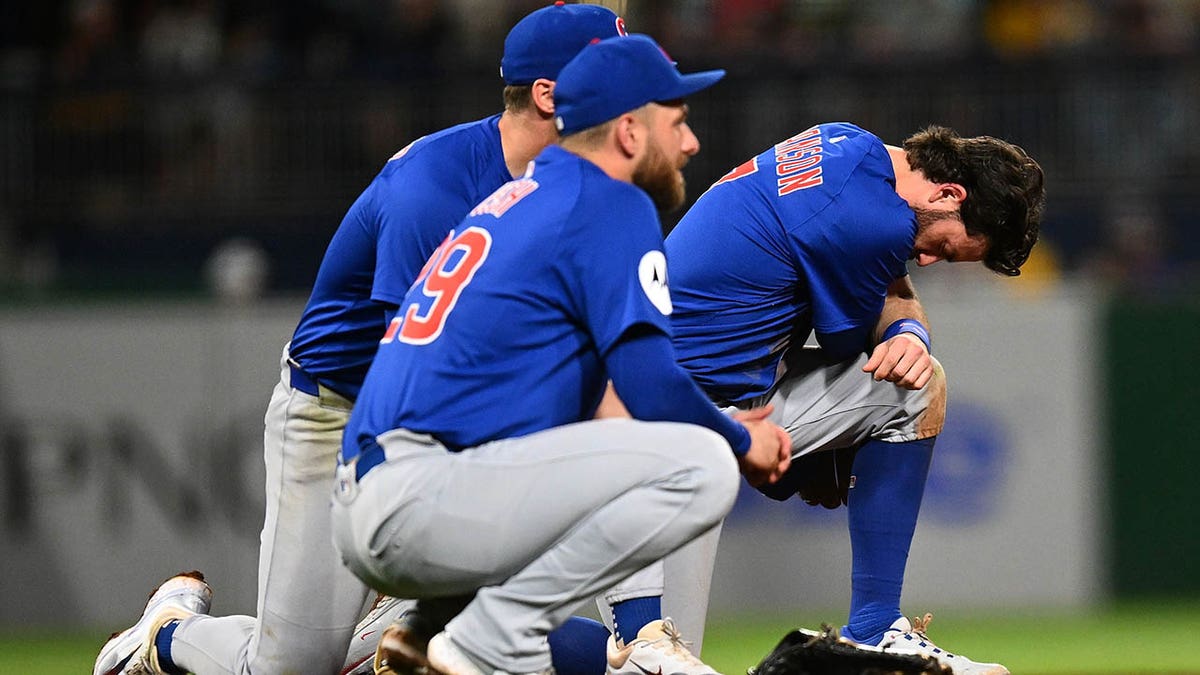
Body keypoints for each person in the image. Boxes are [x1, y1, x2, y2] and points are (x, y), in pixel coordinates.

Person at [93, 4, 632, 675]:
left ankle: (452, 624)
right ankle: (164, 634)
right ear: (550, 95)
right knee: (289, 668)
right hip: (336, 411)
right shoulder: (432, 193)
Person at [330, 33, 791, 675]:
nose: (691, 143)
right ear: (629, 132)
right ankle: (486, 631)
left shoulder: (527, 196)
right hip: (421, 492)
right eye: (678, 122)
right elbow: (650, 385)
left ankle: (439, 627)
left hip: (379, 494)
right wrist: (739, 439)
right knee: (704, 465)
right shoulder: (609, 202)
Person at [604, 122, 1045, 675]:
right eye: (947, 249)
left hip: (708, 400)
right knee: (638, 662)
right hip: (654, 424)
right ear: (948, 194)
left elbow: (885, 296)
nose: (926, 262)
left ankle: (877, 625)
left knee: (914, 383)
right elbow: (855, 334)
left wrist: (908, 333)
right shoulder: (870, 224)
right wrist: (821, 456)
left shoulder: (846, 142)